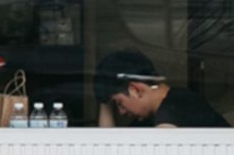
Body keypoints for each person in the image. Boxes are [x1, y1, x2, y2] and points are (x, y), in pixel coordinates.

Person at [93, 48, 225, 128]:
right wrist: (104, 98)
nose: (121, 112)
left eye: (119, 103)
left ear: (135, 89)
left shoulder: (173, 111)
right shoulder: (156, 113)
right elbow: (108, 147)